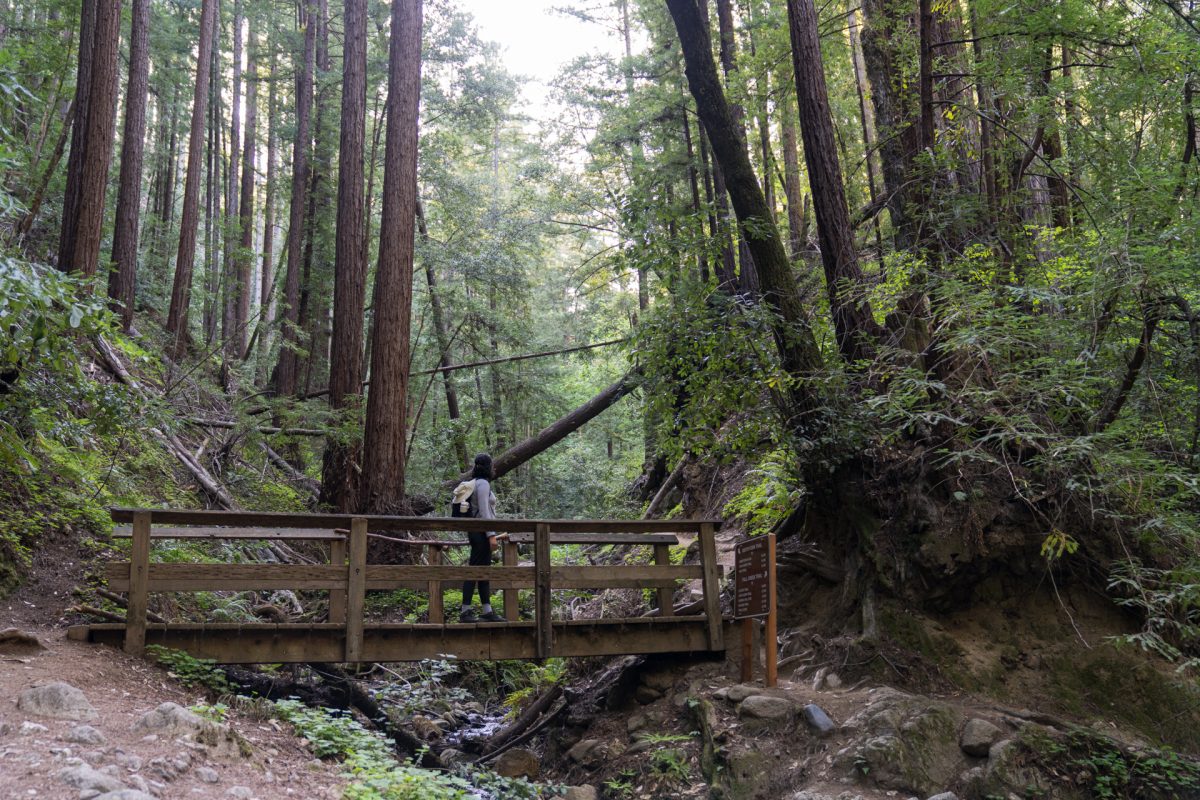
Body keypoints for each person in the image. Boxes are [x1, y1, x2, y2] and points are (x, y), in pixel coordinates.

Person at [460, 453, 505, 623]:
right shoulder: (483, 484)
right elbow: (485, 512)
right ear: (488, 467)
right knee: (475, 570)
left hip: (477, 531)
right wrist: (491, 535)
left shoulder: (476, 484)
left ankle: (487, 610)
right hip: (481, 532)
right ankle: (465, 611)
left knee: (483, 571)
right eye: (492, 465)